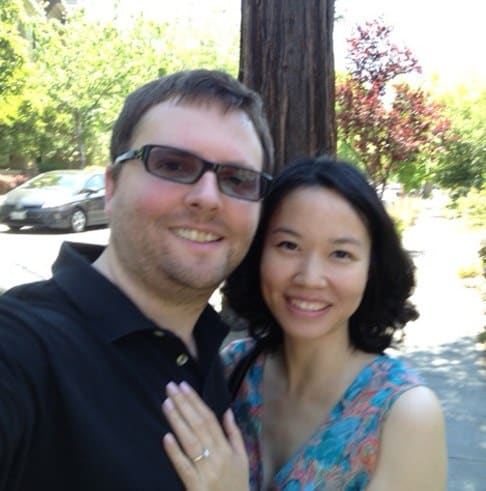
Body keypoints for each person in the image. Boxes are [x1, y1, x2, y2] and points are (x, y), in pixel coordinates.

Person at [0, 69, 274, 490]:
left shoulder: (216, 350)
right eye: (172, 164)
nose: (207, 196)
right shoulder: (21, 347)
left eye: (237, 179)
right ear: (111, 186)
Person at [161, 156, 447, 490]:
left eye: (340, 254)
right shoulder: (232, 370)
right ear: (258, 255)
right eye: (288, 245)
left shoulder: (405, 415)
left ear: (372, 270)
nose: (310, 278)